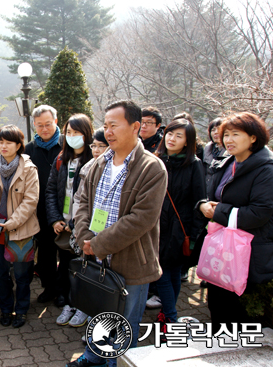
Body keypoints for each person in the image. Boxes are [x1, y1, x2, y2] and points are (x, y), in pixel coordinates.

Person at [69, 100, 167, 367]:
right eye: (105, 126)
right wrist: (84, 239)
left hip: (132, 263)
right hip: (97, 257)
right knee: (100, 316)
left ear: (135, 127)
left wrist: (97, 244)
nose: (108, 132)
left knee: (124, 326)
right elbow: (83, 203)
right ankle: (93, 357)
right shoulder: (100, 162)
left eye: (114, 125)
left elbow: (141, 219)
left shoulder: (151, 167)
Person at [198, 112, 273, 333]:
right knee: (218, 309)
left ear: (253, 138)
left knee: (238, 319)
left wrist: (217, 211)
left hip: (248, 254)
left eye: (236, 134)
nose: (228, 140)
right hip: (221, 252)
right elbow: (212, 195)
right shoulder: (227, 162)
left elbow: (259, 213)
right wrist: (202, 204)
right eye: (226, 135)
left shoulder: (266, 169)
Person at [0, 125, 39, 328]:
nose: (3, 146)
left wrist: (12, 223)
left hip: (22, 231)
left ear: (18, 145)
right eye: (1, 142)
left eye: (8, 142)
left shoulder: (29, 169)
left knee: (23, 275)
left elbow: (31, 201)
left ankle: (21, 310)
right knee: (2, 274)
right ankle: (6, 309)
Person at [153, 119, 206, 339]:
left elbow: (199, 201)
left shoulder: (194, 165)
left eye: (179, 136)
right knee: (169, 273)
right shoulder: (156, 160)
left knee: (165, 273)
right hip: (156, 226)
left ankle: (171, 318)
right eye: (169, 133)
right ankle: (169, 314)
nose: (172, 139)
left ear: (188, 142)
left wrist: (193, 235)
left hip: (179, 229)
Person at [46, 114, 94, 327]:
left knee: (85, 267)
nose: (72, 137)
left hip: (83, 225)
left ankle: (83, 305)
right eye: (69, 133)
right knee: (65, 265)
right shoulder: (61, 159)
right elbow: (50, 191)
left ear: (87, 134)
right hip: (63, 224)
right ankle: (67, 302)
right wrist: (55, 219)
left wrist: (76, 224)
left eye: (77, 133)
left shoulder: (95, 161)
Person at [24, 105, 63, 305]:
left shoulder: (67, 144)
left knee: (66, 253)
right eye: (40, 125)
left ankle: (65, 290)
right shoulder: (29, 149)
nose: (44, 129)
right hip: (40, 211)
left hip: (65, 209)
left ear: (56, 122)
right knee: (46, 254)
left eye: (48, 124)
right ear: (34, 126)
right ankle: (50, 288)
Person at [203, 117, 227, 187]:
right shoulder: (207, 149)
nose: (216, 132)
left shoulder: (230, 150)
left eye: (219, 129)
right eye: (213, 130)